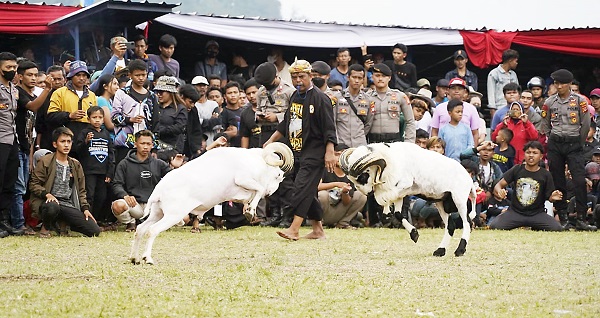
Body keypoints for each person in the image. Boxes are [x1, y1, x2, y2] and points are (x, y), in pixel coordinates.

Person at [263, 59, 337, 241]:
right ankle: (318, 230)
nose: (298, 80)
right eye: (294, 77)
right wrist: (270, 141)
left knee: (300, 189)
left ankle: (294, 229)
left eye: (301, 76)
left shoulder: (321, 99)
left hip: (315, 152)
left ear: (310, 76)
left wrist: (330, 152)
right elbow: (286, 122)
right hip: (297, 150)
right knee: (308, 191)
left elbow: (329, 128)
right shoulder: (295, 97)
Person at [540, 69, 596, 231]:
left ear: (569, 84)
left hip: (574, 143)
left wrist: (579, 140)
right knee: (558, 180)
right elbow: (545, 124)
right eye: (555, 83)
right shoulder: (550, 102)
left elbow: (585, 124)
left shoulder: (580, 101)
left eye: (561, 83)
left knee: (579, 180)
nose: (558, 86)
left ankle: (581, 218)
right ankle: (563, 217)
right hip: (556, 143)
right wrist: (552, 138)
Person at [29, 127, 101, 237]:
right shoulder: (45, 161)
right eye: (63, 142)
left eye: (69, 142)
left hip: (67, 204)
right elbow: (34, 184)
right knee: (52, 207)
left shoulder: (76, 165)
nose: (66, 145)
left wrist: (85, 209)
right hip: (48, 202)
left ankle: (64, 224)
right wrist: (47, 194)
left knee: (94, 230)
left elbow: (82, 191)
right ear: (55, 144)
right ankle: (45, 228)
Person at [12, 60, 53, 235]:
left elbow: (31, 132)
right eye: (30, 75)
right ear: (20, 76)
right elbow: (33, 107)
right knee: (18, 187)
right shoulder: (17, 93)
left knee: (23, 187)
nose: (34, 78)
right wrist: (47, 89)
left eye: (36, 75)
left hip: (25, 146)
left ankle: (24, 222)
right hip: (14, 145)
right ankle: (18, 224)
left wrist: (30, 155)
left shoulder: (30, 95)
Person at [253, 62, 295, 227]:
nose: (266, 86)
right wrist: (260, 117)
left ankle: (287, 215)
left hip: (283, 135)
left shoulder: (289, 91)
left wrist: (276, 118)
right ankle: (275, 214)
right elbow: (256, 110)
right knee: (268, 174)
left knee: (284, 175)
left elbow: (294, 114)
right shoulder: (261, 92)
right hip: (265, 133)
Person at [490, 141, 563, 231]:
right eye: (528, 152)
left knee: (557, 228)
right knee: (494, 226)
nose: (531, 155)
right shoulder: (517, 169)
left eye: (535, 153)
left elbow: (549, 197)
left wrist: (553, 197)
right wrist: (499, 191)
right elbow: (499, 185)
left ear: (541, 156)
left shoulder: (545, 174)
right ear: (524, 155)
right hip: (515, 213)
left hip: (537, 214)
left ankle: (535, 226)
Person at [111, 130, 172, 232]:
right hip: (135, 205)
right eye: (142, 143)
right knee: (117, 206)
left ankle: (152, 221)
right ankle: (131, 222)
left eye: (148, 144)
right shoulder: (124, 163)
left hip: (154, 206)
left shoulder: (159, 164)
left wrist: (176, 167)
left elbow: (173, 179)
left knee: (185, 218)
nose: (145, 147)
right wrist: (125, 195)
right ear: (135, 144)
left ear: (152, 145)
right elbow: (116, 184)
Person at [111, 59, 158, 164]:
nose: (141, 78)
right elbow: (114, 117)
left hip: (146, 146)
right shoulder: (121, 93)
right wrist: (130, 119)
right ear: (130, 75)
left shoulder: (151, 96)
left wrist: (154, 147)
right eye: (137, 75)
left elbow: (155, 122)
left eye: (143, 74)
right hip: (125, 144)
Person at [46, 60, 98, 157]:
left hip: (86, 139)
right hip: (66, 138)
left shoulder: (92, 95)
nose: (81, 78)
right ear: (71, 76)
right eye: (78, 75)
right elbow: (50, 116)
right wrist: (69, 115)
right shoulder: (60, 93)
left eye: (84, 75)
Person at [75, 106, 114, 223]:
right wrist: (86, 141)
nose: (97, 120)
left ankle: (97, 218)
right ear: (88, 119)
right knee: (89, 195)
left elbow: (111, 153)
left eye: (100, 117)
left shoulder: (106, 134)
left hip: (103, 171)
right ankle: (87, 219)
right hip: (89, 170)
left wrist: (109, 172)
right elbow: (78, 150)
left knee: (101, 196)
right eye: (94, 117)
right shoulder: (85, 132)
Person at [317, 144, 367, 229]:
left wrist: (345, 192)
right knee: (322, 195)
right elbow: (317, 186)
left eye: (343, 155)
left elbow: (346, 202)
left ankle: (343, 223)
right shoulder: (325, 168)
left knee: (361, 196)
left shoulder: (350, 175)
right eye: (337, 154)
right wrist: (336, 184)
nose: (339, 158)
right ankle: (319, 223)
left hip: (339, 210)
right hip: (324, 210)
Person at [0, 52, 23, 237]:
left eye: (14, 68)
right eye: (8, 67)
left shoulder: (13, 90)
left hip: (12, 140)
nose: (12, 71)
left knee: (10, 182)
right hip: (0, 141)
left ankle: (4, 221)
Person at [430, 77, 480, 143]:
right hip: (442, 149)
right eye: (453, 88)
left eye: (460, 89)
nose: (456, 91)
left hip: (465, 150)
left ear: (465, 91)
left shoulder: (471, 109)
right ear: (448, 90)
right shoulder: (439, 108)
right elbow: (434, 131)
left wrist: (472, 151)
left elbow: (475, 133)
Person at [491, 101, 538, 165]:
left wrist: (526, 123)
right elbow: (494, 138)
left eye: (517, 109)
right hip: (505, 158)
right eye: (513, 109)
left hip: (521, 159)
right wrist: (502, 124)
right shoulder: (505, 123)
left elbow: (534, 137)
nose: (515, 111)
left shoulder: (526, 124)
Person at [336, 64, 371, 147]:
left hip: (360, 145)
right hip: (341, 143)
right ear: (348, 77)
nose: (357, 81)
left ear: (363, 80)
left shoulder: (368, 99)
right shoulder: (337, 97)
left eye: (359, 78)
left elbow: (368, 123)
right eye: (354, 77)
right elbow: (332, 122)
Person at [152, 75, 187, 152]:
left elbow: (179, 127)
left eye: (161, 92)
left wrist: (159, 131)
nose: (158, 94)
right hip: (154, 147)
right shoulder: (154, 106)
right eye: (157, 92)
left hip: (172, 148)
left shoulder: (180, 108)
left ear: (170, 92)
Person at [487, 49, 519, 116]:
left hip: (513, 107)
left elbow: (517, 91)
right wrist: (492, 109)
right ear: (510, 61)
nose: (516, 63)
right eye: (515, 61)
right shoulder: (494, 74)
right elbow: (491, 92)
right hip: (499, 107)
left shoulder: (513, 74)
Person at [191, 76, 222, 144]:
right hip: (196, 143)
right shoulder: (191, 105)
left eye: (204, 85)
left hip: (212, 142)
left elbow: (218, 124)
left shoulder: (213, 104)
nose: (202, 87)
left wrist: (202, 122)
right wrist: (211, 121)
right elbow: (193, 126)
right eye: (199, 85)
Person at [219, 81, 243, 147]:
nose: (233, 95)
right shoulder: (222, 113)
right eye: (230, 93)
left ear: (239, 94)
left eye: (235, 92)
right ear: (225, 96)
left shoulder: (245, 112)